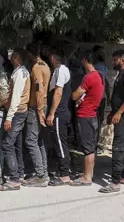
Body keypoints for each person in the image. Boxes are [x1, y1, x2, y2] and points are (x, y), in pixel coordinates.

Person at [99, 50, 124, 194]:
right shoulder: (121, 74)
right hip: (121, 115)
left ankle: (114, 183)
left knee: (117, 146)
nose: (112, 62)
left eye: (115, 60)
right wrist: (114, 113)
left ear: (122, 60)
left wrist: (119, 112)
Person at [0, 48, 30, 191]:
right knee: (16, 143)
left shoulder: (19, 74)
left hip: (17, 112)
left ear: (17, 57)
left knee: (7, 144)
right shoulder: (22, 71)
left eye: (12, 56)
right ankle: (20, 172)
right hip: (20, 112)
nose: (10, 57)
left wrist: (9, 118)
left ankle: (14, 178)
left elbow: (16, 98)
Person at [70, 50, 105, 186]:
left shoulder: (88, 77)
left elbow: (74, 95)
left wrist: (76, 96)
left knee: (88, 147)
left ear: (85, 60)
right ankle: (88, 173)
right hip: (93, 114)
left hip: (85, 115)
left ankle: (87, 177)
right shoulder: (99, 76)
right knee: (91, 145)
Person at [25, 42, 51, 186]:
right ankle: (43, 172)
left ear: (30, 53)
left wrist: (40, 111)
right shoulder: (45, 66)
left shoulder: (36, 68)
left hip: (36, 108)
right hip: (43, 106)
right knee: (40, 141)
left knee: (31, 140)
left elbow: (39, 89)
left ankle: (40, 175)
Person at [46, 49, 72, 186]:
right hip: (59, 113)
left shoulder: (61, 70)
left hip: (59, 114)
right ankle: (62, 171)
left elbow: (58, 93)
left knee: (61, 144)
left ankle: (65, 175)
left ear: (52, 57)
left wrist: (51, 113)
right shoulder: (59, 70)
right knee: (58, 143)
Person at [92, 45, 109, 154]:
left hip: (102, 99)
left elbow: (106, 82)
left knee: (99, 121)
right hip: (94, 99)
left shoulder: (103, 66)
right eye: (100, 52)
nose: (103, 54)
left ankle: (95, 144)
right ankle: (92, 144)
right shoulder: (93, 67)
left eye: (103, 52)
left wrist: (109, 95)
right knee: (94, 123)